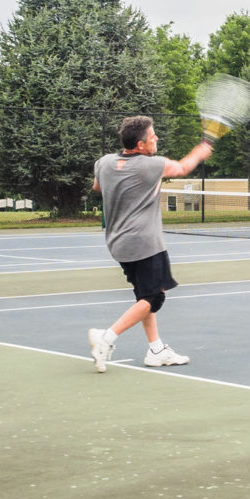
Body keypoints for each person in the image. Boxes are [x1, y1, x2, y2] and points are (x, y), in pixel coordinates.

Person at [86, 116, 212, 372]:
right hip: (145, 243)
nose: (156, 138)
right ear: (141, 145)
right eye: (152, 136)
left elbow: (97, 187)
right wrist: (201, 149)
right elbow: (182, 168)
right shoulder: (151, 165)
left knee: (143, 295)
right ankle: (106, 337)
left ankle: (156, 349)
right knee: (154, 298)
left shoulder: (104, 163)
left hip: (118, 244)